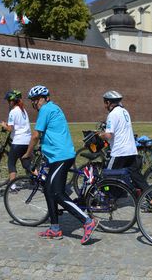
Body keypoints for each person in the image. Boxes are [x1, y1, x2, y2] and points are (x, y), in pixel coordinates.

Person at [22, 85, 98, 244]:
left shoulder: (46, 109)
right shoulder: (53, 108)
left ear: (45, 98)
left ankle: (87, 221)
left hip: (60, 157)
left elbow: (36, 135)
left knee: (56, 193)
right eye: (33, 101)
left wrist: (27, 154)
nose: (35, 103)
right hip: (57, 156)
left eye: (37, 100)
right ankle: (55, 228)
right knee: (49, 190)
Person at [99, 90, 152, 197]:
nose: (104, 105)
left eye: (105, 102)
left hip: (119, 151)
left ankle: (106, 199)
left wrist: (100, 135)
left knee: (107, 176)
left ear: (109, 102)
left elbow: (108, 135)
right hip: (131, 150)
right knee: (136, 176)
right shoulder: (124, 111)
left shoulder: (112, 114)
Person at [0, 90, 32, 185]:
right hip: (27, 141)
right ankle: (42, 180)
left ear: (12, 101)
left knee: (11, 163)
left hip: (18, 141)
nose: (8, 103)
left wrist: (3, 125)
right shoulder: (23, 110)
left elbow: (10, 129)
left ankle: (12, 186)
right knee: (27, 164)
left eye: (8, 101)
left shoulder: (13, 112)